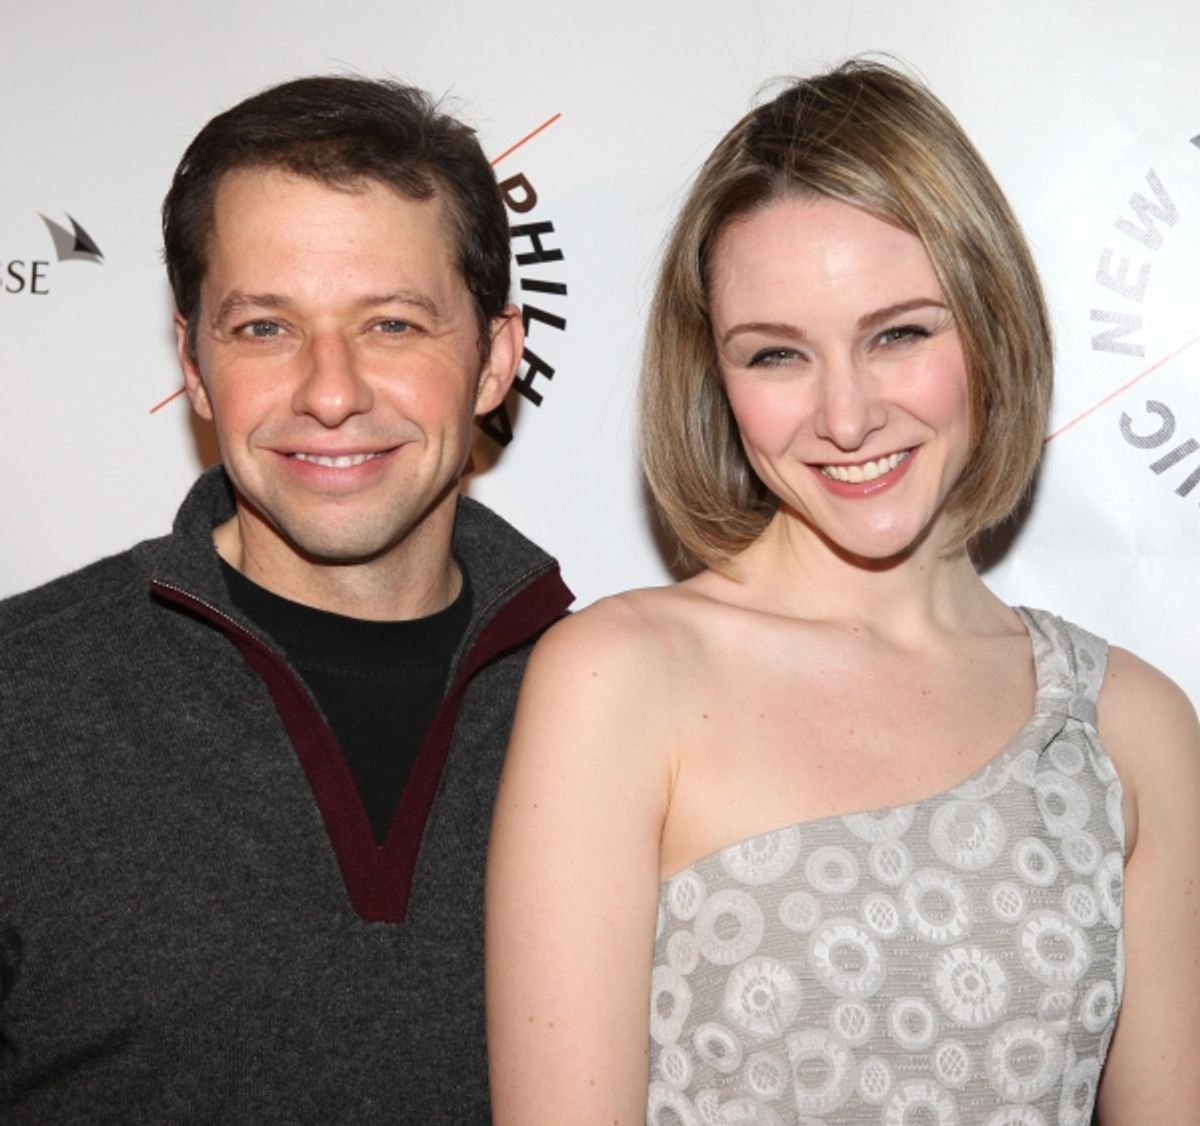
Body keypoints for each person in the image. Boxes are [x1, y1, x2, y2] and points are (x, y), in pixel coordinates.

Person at [486, 60, 1200, 1125]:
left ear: (991, 325)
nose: (847, 417)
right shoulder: (620, 679)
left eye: (898, 333)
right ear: (716, 378)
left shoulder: (1128, 726)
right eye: (777, 355)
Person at [0, 76, 571, 1123]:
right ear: (195, 367)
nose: (331, 391)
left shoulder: (624, 710)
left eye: (392, 323)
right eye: (265, 328)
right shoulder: (16, 697)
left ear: (496, 359)